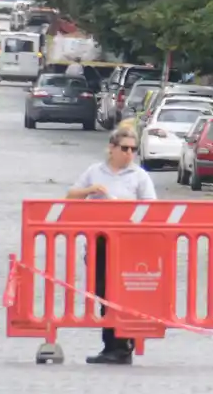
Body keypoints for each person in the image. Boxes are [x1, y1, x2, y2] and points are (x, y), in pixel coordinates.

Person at [66, 121, 155, 365]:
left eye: (133, 149)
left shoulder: (139, 176)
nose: (129, 154)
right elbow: (71, 195)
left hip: (129, 244)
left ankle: (120, 346)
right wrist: (90, 190)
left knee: (123, 293)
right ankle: (113, 345)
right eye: (124, 148)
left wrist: (128, 208)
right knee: (102, 291)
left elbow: (152, 208)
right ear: (112, 148)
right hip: (99, 243)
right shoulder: (95, 171)